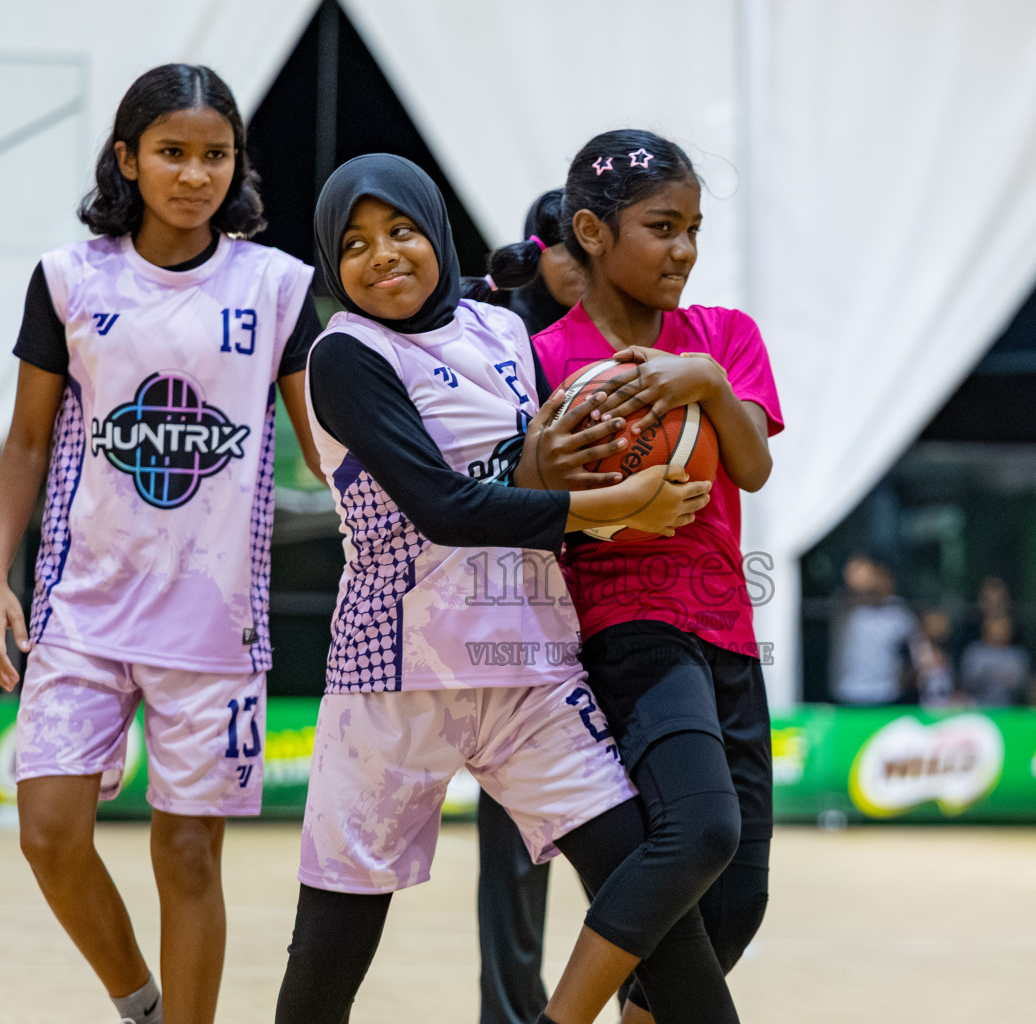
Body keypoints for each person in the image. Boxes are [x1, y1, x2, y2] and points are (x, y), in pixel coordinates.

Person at [274, 153, 741, 1024]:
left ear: (436, 234)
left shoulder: (499, 333)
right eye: (356, 245)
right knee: (333, 945)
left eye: (402, 231)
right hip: (396, 675)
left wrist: (629, 455)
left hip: (529, 663)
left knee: (661, 918)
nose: (383, 256)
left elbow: (530, 466)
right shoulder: (345, 353)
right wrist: (611, 507)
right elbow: (445, 506)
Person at [0, 64, 322, 1024]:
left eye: (216, 155)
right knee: (48, 832)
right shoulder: (70, 278)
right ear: (128, 158)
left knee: (188, 853)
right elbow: (28, 441)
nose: (195, 174)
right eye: (172, 152)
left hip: (215, 625)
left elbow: (327, 446)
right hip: (84, 607)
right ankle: (142, 1004)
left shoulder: (278, 286)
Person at [517, 128, 782, 1023]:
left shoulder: (723, 337)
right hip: (623, 624)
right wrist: (550, 469)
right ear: (591, 231)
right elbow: (520, 504)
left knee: (737, 901)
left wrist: (702, 380)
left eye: (695, 227)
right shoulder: (544, 359)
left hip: (728, 631)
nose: (685, 249)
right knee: (700, 829)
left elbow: (752, 468)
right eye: (662, 226)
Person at [472, 189, 590, 1024]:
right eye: (573, 255)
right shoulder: (492, 330)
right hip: (505, 616)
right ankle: (508, 1017)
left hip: (598, 599)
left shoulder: (623, 337)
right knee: (512, 853)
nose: (588, 272)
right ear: (538, 250)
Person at [831, 554, 918, 706]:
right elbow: (853, 595)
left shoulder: (897, 610)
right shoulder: (844, 605)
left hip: (886, 694)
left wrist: (907, 677)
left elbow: (918, 648)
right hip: (848, 694)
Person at [959, 615, 1030, 707]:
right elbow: (966, 683)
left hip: (1012, 711)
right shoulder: (974, 653)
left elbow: (1023, 686)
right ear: (985, 629)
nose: (998, 631)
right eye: (995, 627)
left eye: (1002, 627)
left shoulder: (1018, 655)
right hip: (979, 710)